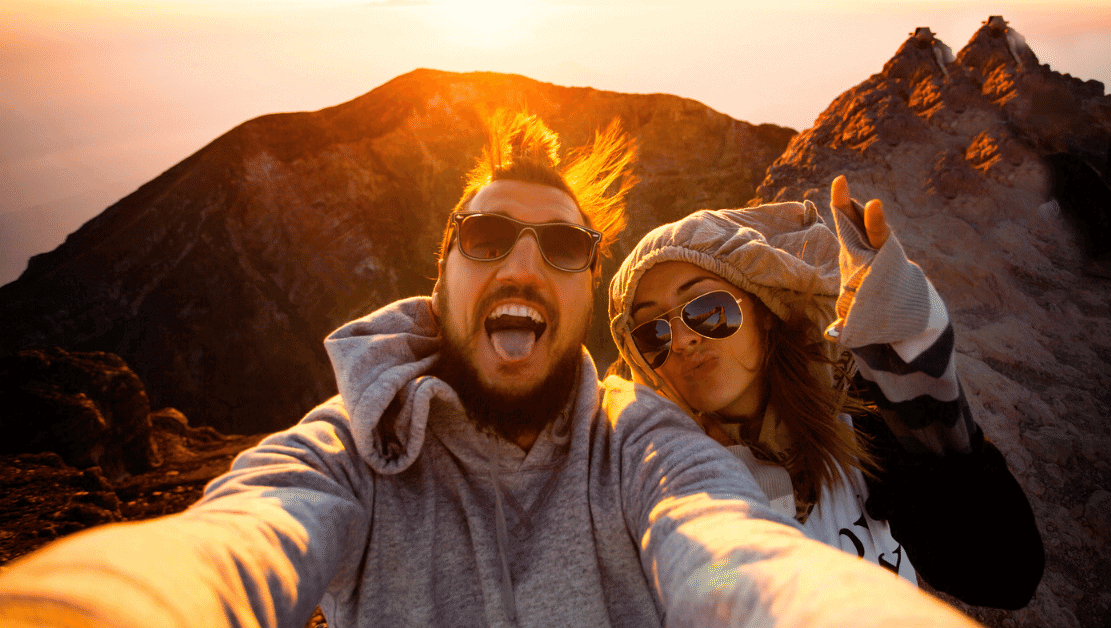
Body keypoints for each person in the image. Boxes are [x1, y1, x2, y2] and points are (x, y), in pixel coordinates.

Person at [0, 112, 983, 628]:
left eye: (561, 249)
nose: (523, 263)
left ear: (585, 293)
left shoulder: (646, 446)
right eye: (488, 234)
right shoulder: (351, 445)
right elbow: (244, 533)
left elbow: (736, 550)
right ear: (443, 273)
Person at [607, 177, 1045, 610]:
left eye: (706, 310)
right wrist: (751, 533)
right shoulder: (672, 478)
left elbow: (1005, 576)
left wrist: (920, 389)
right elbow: (692, 585)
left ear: (763, 309)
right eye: (653, 334)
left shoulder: (858, 421)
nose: (682, 340)